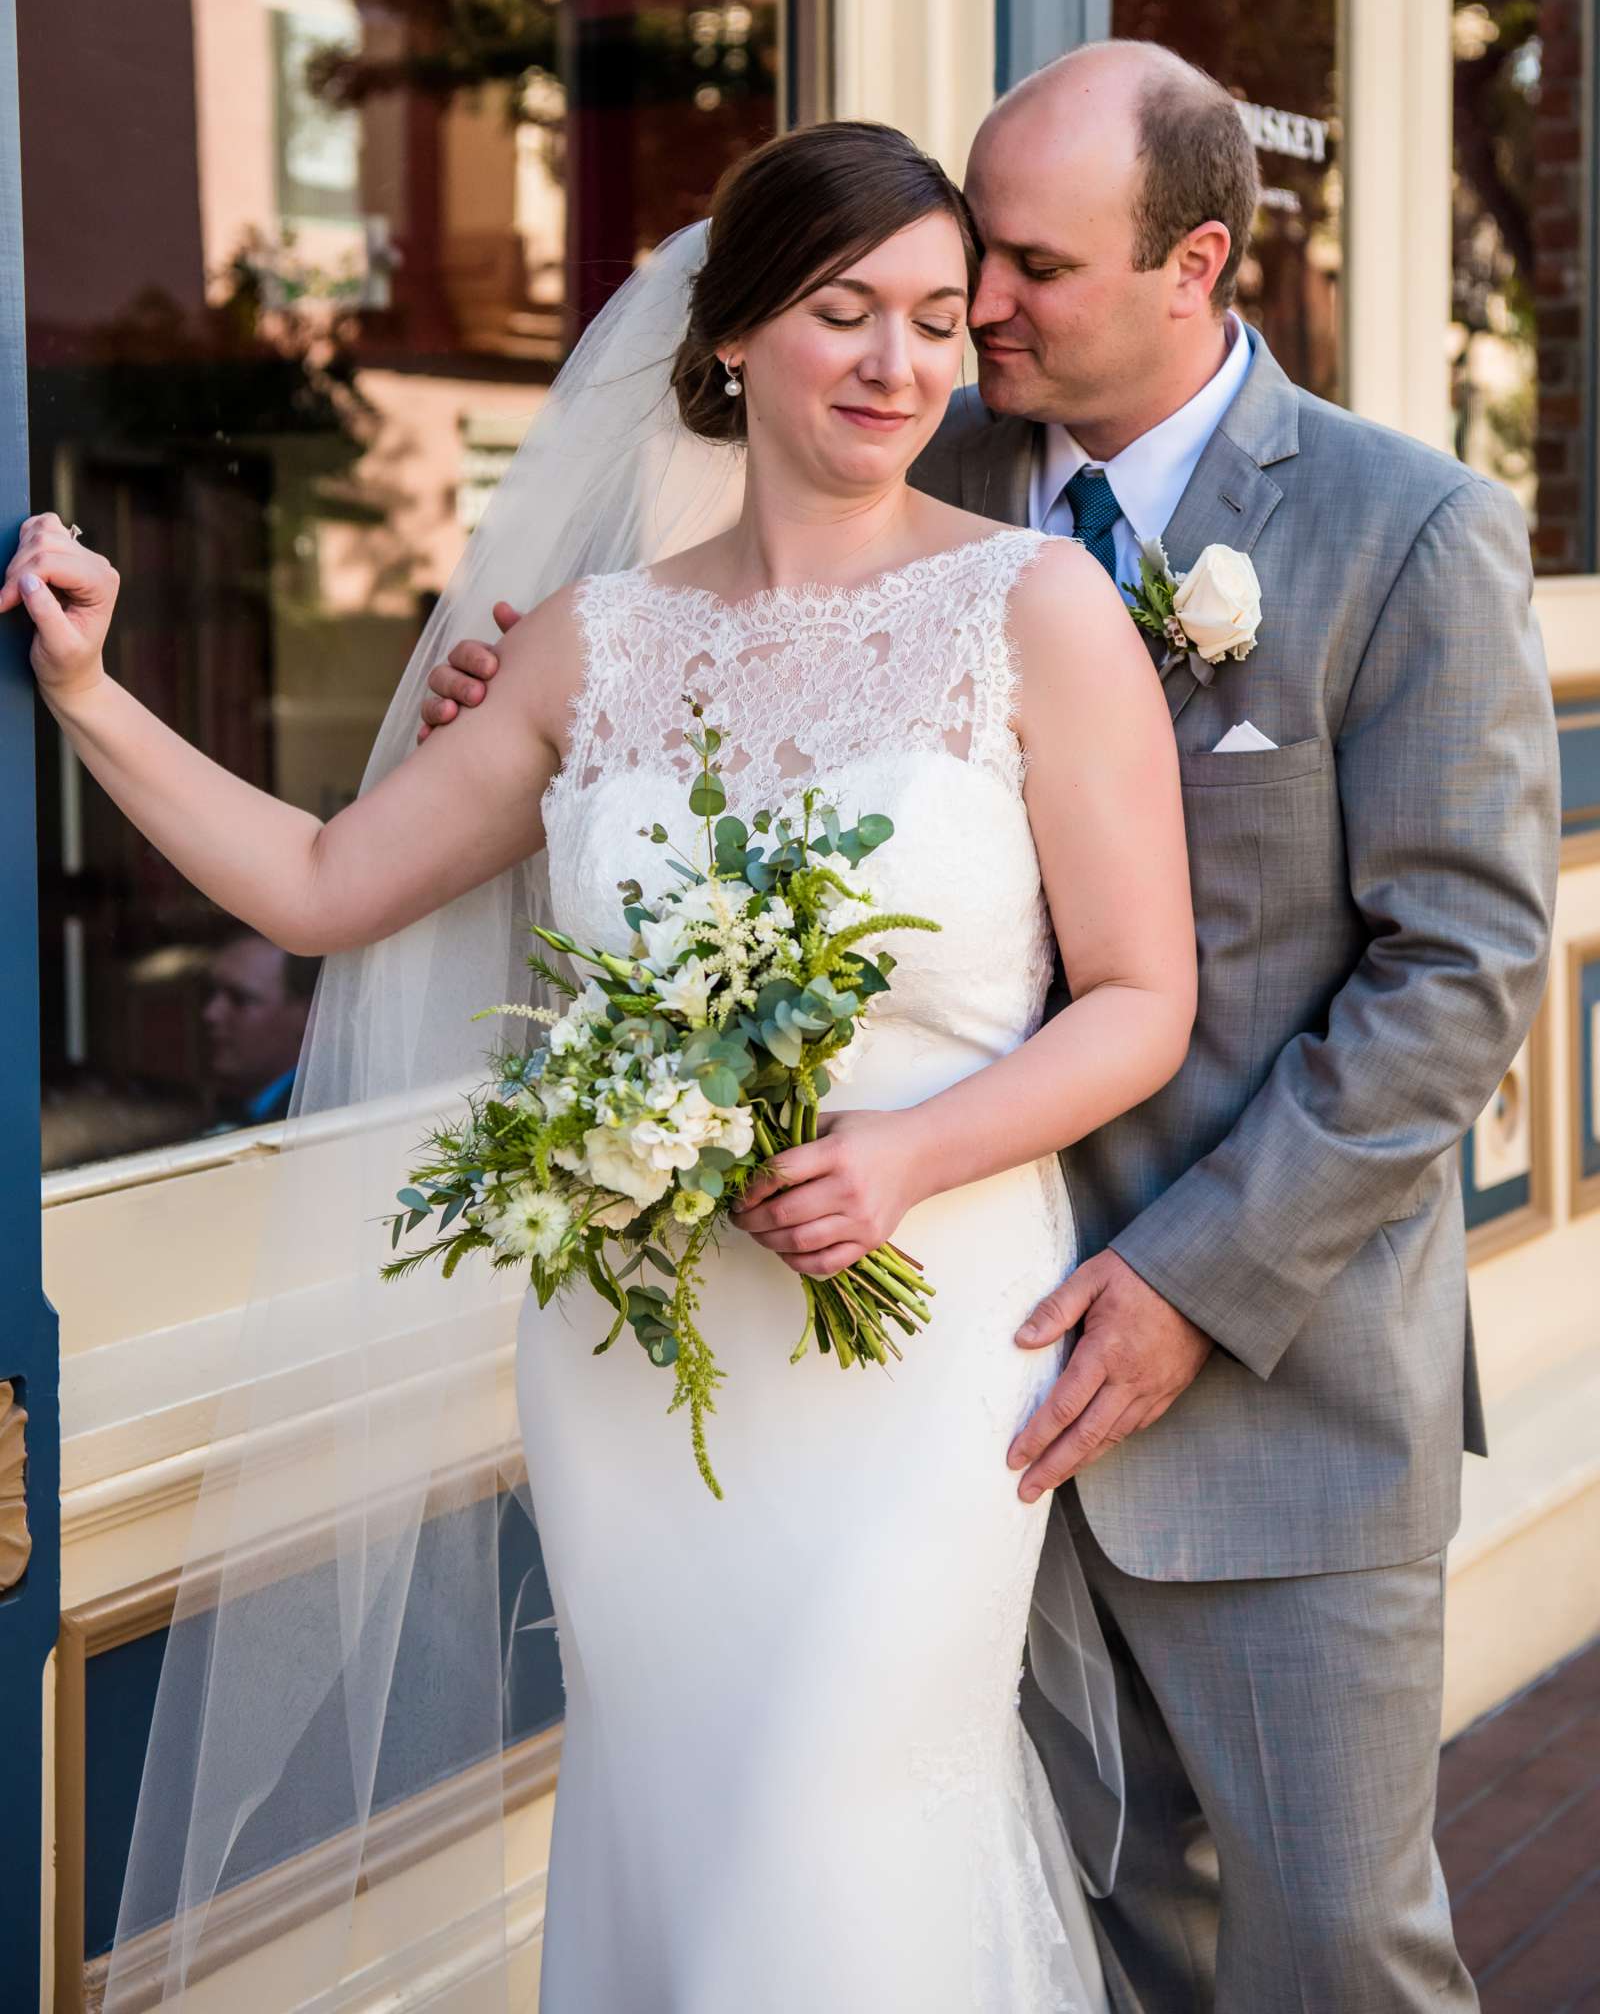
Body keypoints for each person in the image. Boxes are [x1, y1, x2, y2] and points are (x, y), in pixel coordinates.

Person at [5, 120, 1199, 2011]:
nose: (902, 367)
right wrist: (90, 696)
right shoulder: (591, 648)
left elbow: (1143, 997)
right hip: (638, 1366)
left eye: (938, 322)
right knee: (680, 1832)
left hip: (922, 1344)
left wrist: (905, 1157)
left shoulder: (1033, 612)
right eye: (843, 313)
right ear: (732, 335)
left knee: (842, 1838)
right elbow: (325, 885)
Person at [421, 43, 1562, 2012]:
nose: (965, 313)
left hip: (1263, 1386)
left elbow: (1455, 971)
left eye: (1018, 269)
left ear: (1193, 261)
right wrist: (549, 731)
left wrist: (1192, 1282)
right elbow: (740, 774)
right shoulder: (902, 474)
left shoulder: (1402, 527)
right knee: (1061, 1936)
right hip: (928, 1388)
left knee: (1325, 1951)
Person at [200, 927, 317, 1129]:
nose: (211, 1013)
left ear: (307, 1015)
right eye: (210, 993)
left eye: (239, 999)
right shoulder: (239, 1104)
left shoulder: (315, 1118)